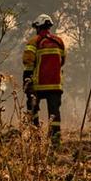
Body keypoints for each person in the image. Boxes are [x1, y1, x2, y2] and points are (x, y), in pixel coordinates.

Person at [22, 13, 66, 144]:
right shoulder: (59, 42)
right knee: (54, 113)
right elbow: (62, 61)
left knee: (32, 108)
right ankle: (55, 140)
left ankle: (36, 136)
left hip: (38, 85)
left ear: (38, 27)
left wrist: (27, 80)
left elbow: (28, 62)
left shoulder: (34, 42)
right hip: (55, 85)